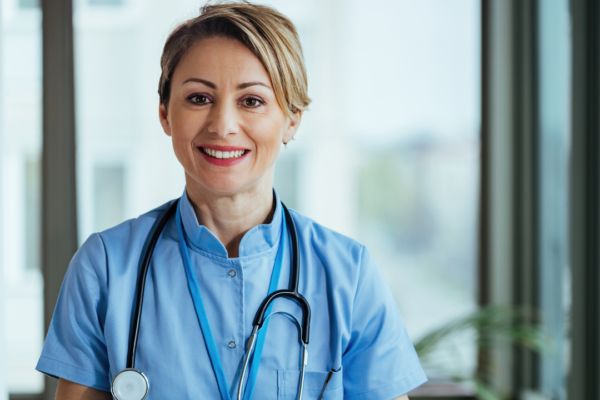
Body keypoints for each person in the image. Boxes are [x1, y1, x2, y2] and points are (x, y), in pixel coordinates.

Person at [36, 2, 427, 399]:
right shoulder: (105, 268)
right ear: (165, 114)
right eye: (199, 98)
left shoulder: (349, 276)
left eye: (252, 101)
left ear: (292, 119)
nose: (222, 125)